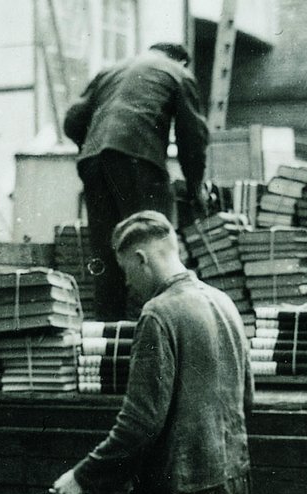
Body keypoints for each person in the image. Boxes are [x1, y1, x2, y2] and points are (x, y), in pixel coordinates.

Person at [51, 210, 252, 494]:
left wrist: (83, 477)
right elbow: (246, 399)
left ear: (142, 259)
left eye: (126, 270)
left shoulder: (158, 314)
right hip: (235, 480)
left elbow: (141, 422)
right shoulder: (224, 303)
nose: (128, 283)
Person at [63, 42, 209, 320]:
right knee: (154, 246)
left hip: (93, 161)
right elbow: (193, 138)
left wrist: (98, 148)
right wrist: (195, 187)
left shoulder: (112, 71)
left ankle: (110, 336)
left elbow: (72, 121)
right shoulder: (178, 72)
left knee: (107, 255)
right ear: (182, 61)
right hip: (138, 159)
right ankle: (160, 326)